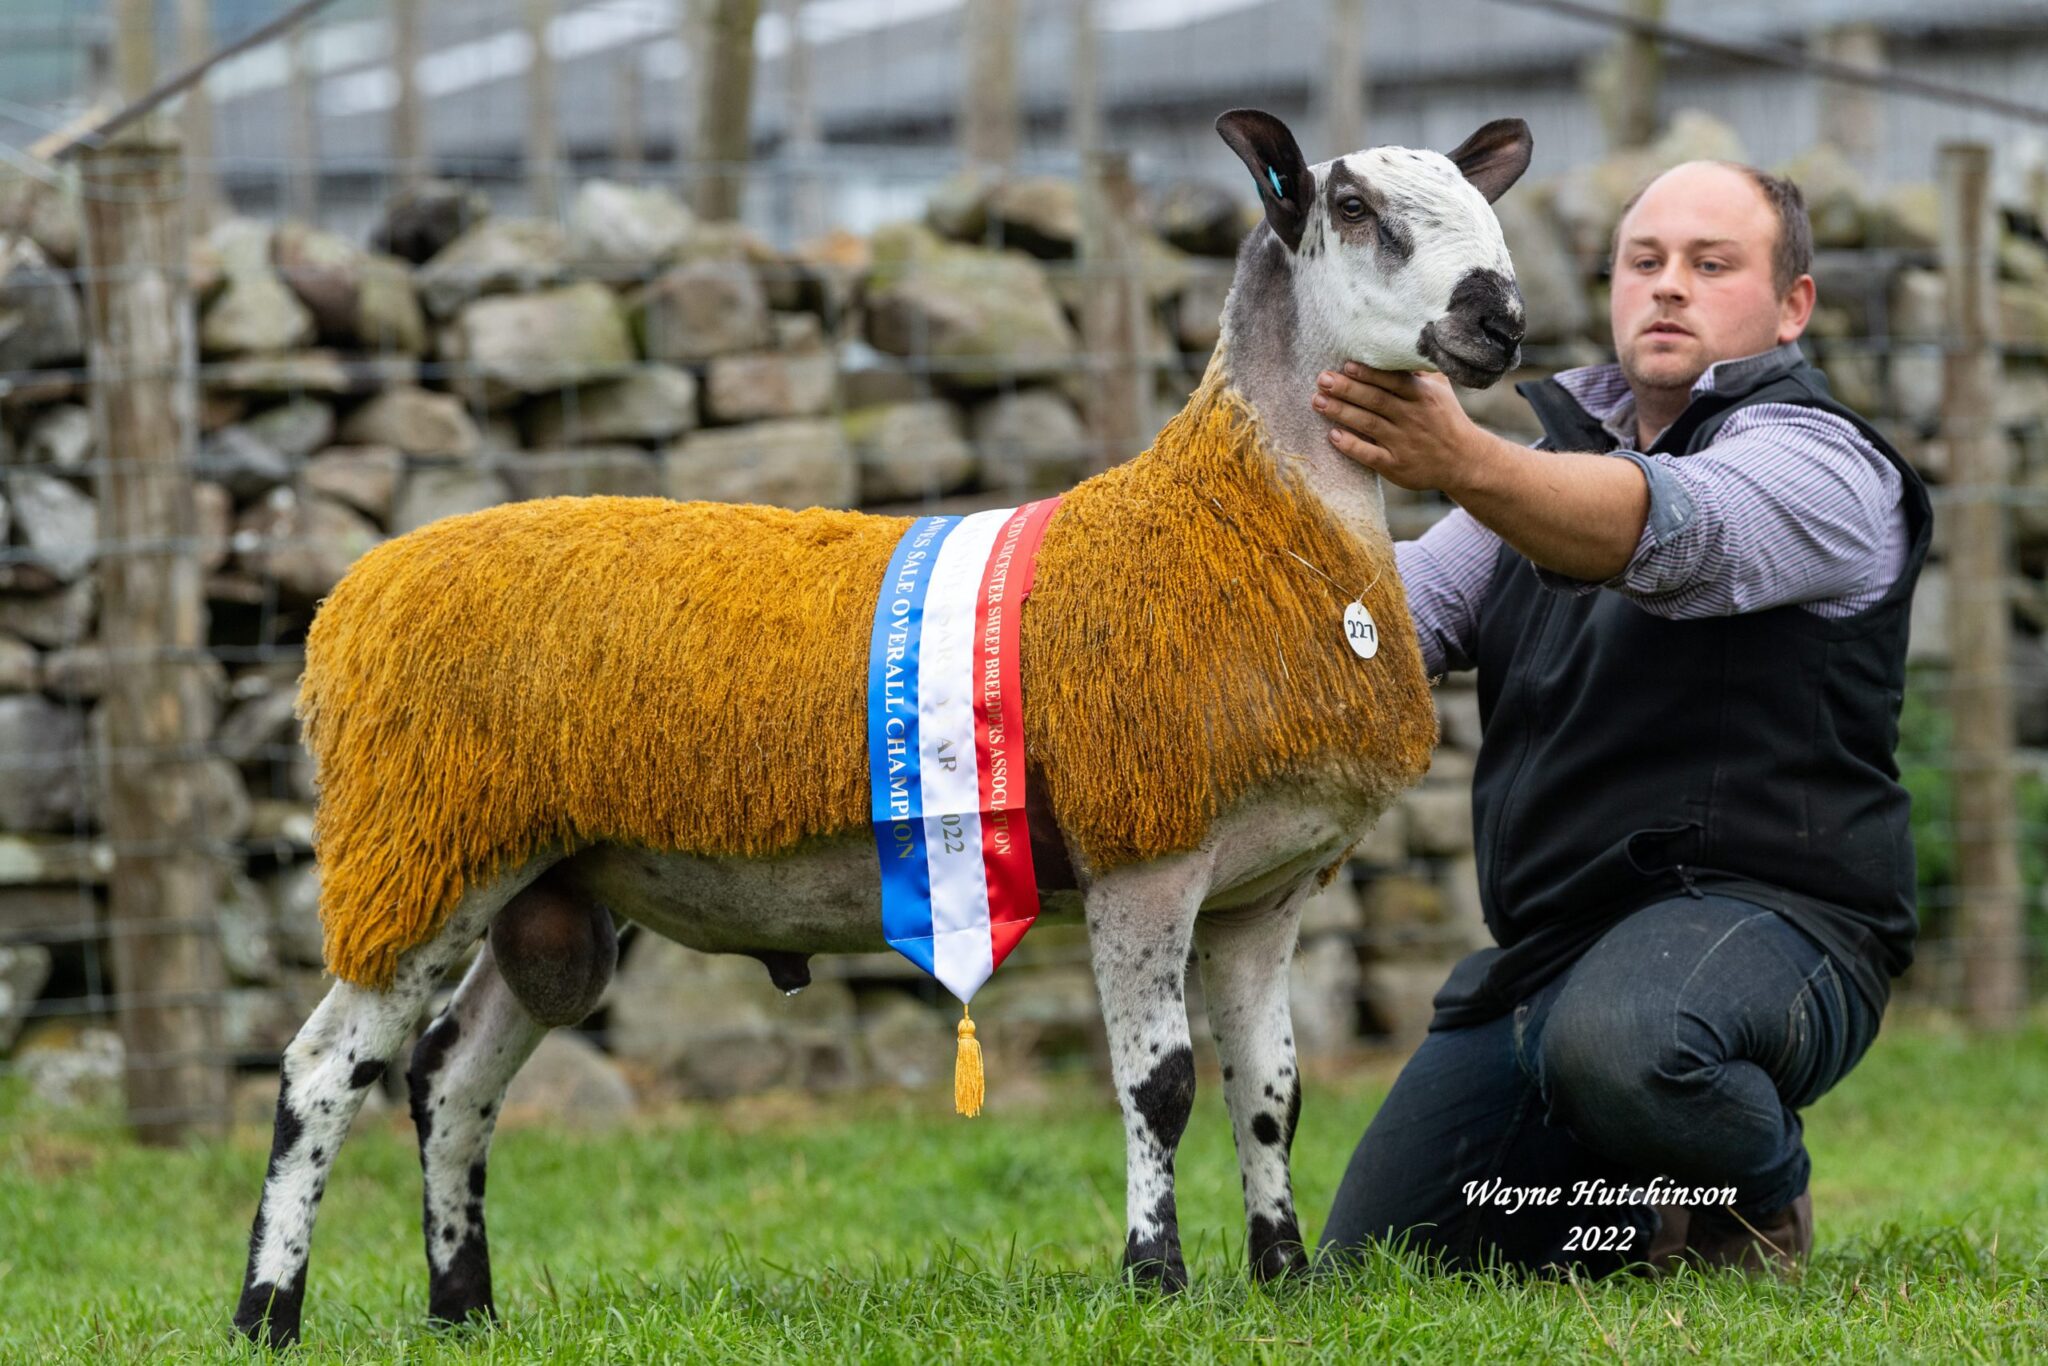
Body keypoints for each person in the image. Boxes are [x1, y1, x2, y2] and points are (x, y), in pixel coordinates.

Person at [1310, 160, 1930, 1277]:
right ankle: (1636, 1221)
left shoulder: (1823, 462)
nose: (1667, 288)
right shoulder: (1544, 475)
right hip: (1549, 957)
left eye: (1710, 264)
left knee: (1632, 1044)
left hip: (1775, 922)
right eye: (1642, 262)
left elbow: (1663, 532)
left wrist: (1459, 458)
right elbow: (1393, 623)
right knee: (1384, 1256)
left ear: (1791, 305)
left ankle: (1753, 1206)